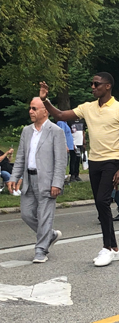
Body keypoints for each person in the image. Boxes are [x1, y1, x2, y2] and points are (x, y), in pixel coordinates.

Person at [39, 72, 119, 267]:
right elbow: (60, 115)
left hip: (112, 160)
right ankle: (114, 249)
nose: (92, 87)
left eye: (96, 84)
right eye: (91, 83)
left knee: (102, 201)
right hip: (95, 161)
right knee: (100, 204)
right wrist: (45, 100)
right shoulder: (87, 107)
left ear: (107, 86)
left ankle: (107, 248)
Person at [7, 97, 66, 263]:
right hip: (28, 180)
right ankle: (51, 235)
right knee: (26, 214)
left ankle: (41, 250)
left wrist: (57, 183)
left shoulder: (55, 131)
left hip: (47, 181)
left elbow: (61, 161)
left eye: (34, 108)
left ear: (45, 111)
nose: (30, 111)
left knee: (45, 215)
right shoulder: (27, 131)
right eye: (30, 108)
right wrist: (14, 177)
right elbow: (20, 158)